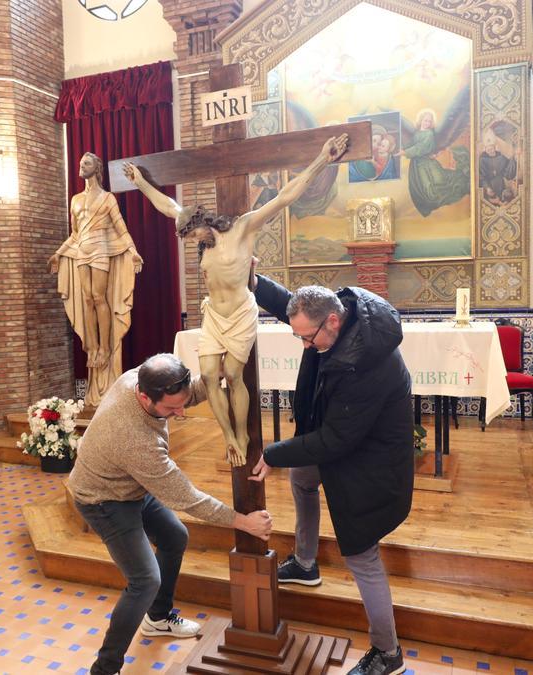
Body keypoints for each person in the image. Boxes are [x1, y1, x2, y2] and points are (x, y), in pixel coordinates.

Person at [124, 135, 350, 467]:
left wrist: (321, 159)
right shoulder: (194, 231)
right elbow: (166, 205)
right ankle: (228, 435)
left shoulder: (243, 229)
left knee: (232, 374)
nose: (192, 242)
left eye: (192, 236)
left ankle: (241, 433)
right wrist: (141, 181)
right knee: (209, 373)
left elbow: (284, 197)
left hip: (241, 311)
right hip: (215, 313)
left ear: (201, 223)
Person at [66, 353, 274, 675]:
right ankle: (105, 669)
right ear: (144, 396)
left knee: (174, 536)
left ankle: (158, 619)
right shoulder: (134, 438)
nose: (180, 413)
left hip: (131, 485)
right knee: (145, 580)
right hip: (102, 498)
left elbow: (187, 391)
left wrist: (219, 372)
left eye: (182, 404)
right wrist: (243, 522)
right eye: (171, 409)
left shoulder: (144, 377)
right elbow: (185, 496)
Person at [248, 278, 414, 675]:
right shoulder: (327, 315)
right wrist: (253, 281)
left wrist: (273, 454)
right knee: (303, 480)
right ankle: (306, 564)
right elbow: (291, 303)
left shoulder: (369, 364)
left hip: (370, 466)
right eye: (299, 336)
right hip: (338, 443)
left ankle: (387, 652)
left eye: (308, 338)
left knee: (362, 556)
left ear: (334, 323)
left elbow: (336, 439)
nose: (305, 346)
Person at [49, 152, 144, 406]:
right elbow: (75, 233)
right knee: (87, 299)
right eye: (80, 163)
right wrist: (58, 254)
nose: (81, 166)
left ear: (97, 168)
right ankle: (91, 347)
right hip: (82, 251)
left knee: (100, 297)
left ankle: (104, 348)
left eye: (87, 163)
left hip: (102, 249)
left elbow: (121, 227)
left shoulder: (107, 198)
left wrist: (133, 252)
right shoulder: (76, 199)